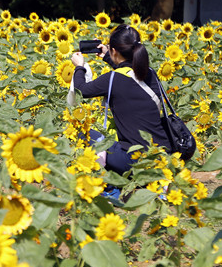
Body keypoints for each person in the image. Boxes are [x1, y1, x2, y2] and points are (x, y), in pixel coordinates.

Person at [71, 24, 171, 177]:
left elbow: (81, 90)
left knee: (83, 134)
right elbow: (128, 73)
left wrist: (79, 67)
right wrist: (108, 56)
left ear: (115, 51)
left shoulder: (112, 79)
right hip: (163, 159)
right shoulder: (150, 73)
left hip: (134, 162)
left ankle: (105, 179)